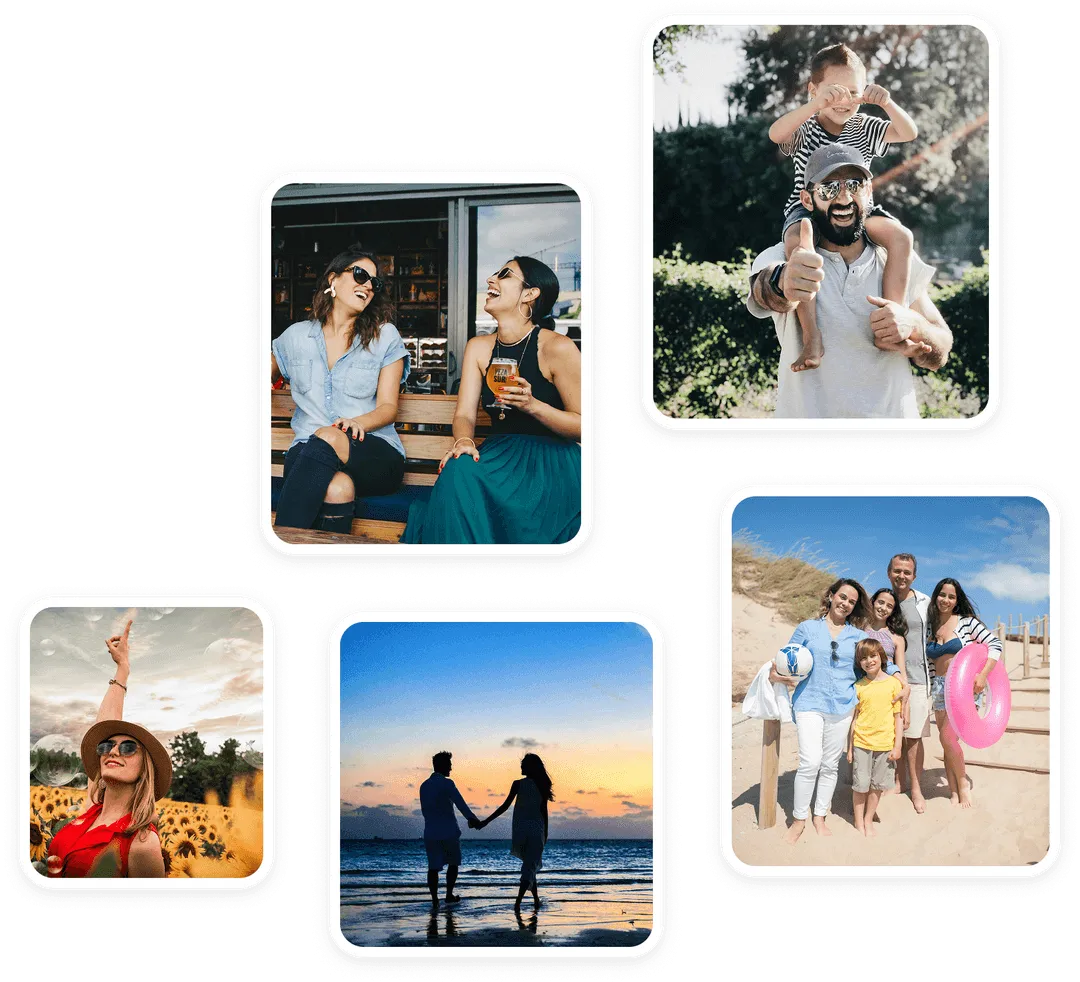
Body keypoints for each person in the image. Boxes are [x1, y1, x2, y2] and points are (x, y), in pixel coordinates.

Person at [747, 142, 954, 418]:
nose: (844, 199)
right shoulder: (784, 256)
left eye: (854, 185)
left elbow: (942, 349)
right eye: (829, 188)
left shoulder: (894, 258)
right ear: (808, 200)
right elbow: (764, 290)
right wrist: (783, 281)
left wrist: (913, 323)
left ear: (868, 191)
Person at [402, 257, 581, 544]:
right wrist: (464, 441)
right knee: (458, 469)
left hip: (550, 464)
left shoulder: (557, 347)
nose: (490, 279)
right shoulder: (478, 347)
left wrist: (532, 405)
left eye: (505, 274)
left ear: (530, 294)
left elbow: (585, 426)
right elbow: (465, 416)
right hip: (499, 454)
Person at [769, 43, 918, 372]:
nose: (844, 101)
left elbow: (909, 133)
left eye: (853, 91)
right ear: (814, 90)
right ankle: (811, 337)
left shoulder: (864, 126)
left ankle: (890, 322)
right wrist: (814, 106)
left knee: (901, 237)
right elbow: (775, 132)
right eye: (833, 92)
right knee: (799, 247)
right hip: (807, 209)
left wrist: (887, 103)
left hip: (858, 211)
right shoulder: (806, 126)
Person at [271, 245, 409, 532]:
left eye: (375, 282)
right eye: (360, 275)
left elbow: (388, 408)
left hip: (371, 453)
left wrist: (356, 422)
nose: (369, 286)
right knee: (338, 489)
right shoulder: (295, 337)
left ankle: (278, 545)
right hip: (308, 453)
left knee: (329, 436)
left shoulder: (385, 337)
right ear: (333, 280)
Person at [46, 621, 172, 877]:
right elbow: (104, 724)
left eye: (128, 747)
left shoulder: (142, 843)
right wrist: (122, 668)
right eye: (107, 746)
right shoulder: (92, 809)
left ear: (144, 768)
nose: (113, 752)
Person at [769, 578, 870, 843]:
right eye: (843, 597)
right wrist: (776, 673)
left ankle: (819, 816)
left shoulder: (858, 636)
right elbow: (785, 658)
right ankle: (799, 819)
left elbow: (878, 661)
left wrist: (897, 677)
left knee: (828, 765)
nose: (846, 604)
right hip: (809, 703)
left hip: (843, 705)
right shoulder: (807, 628)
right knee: (810, 762)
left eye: (852, 602)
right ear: (831, 595)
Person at [926, 578, 1003, 808]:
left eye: (951, 596)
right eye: (942, 595)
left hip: (963, 687)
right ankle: (952, 790)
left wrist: (982, 676)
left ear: (957, 600)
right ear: (936, 597)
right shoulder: (931, 627)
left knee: (948, 737)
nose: (946, 600)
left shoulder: (967, 623)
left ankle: (963, 784)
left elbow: (995, 645)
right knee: (946, 741)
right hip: (939, 687)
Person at [475, 753, 553, 911]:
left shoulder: (518, 784)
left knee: (529, 866)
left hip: (520, 832)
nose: (521, 767)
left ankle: (536, 900)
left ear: (530, 767)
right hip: (536, 830)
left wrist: (485, 822)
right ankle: (517, 903)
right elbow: (543, 811)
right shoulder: (541, 784)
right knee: (529, 867)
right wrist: (545, 832)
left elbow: (504, 807)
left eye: (523, 764)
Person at [887, 553, 932, 813]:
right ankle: (897, 779)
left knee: (913, 736)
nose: (901, 576)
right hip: (887, 679)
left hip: (918, 679)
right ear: (889, 572)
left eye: (907, 572)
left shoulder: (924, 602)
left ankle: (916, 787)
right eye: (897, 571)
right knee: (894, 733)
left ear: (913, 576)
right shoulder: (882, 602)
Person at [846, 639, 904, 836]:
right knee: (860, 785)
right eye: (863, 658)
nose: (869, 661)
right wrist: (850, 748)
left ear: (882, 657)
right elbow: (854, 719)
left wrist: (898, 747)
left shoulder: (894, 684)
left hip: (885, 745)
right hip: (861, 743)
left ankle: (868, 818)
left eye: (872, 656)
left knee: (877, 786)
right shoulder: (859, 686)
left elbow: (898, 719)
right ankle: (858, 820)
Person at [418, 751, 481, 907]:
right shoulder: (448, 783)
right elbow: (460, 803)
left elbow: (425, 810)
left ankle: (434, 900)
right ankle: (448, 895)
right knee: (453, 864)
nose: (451, 768)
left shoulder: (424, 786)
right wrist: (472, 820)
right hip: (448, 832)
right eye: (449, 765)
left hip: (430, 832)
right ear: (443, 765)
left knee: (433, 868)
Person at [865, 586, 910, 791]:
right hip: (863, 693)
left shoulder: (896, 638)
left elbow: (902, 673)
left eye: (889, 606)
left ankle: (877, 791)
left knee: (884, 744)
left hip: (887, 696)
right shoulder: (858, 629)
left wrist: (905, 704)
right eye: (881, 602)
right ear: (873, 602)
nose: (883, 608)